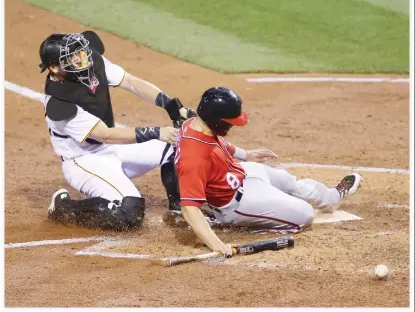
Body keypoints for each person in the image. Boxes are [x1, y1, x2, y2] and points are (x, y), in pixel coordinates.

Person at [174, 87, 362, 256]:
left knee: (288, 181)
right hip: (235, 202)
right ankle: (231, 221)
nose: (232, 126)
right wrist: (216, 244)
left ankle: (331, 198)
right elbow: (189, 207)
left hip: (241, 173)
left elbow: (216, 144)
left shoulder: (196, 124)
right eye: (230, 122)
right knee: (304, 215)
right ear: (215, 120)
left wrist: (246, 155)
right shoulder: (194, 158)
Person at [39, 31, 195, 231]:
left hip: (109, 149)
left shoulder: (93, 64)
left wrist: (173, 106)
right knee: (128, 214)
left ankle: (179, 210)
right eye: (71, 57)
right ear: (54, 67)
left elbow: (131, 82)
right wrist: (157, 132)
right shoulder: (59, 103)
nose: (80, 58)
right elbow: (106, 134)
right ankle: (64, 208)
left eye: (79, 52)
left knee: (177, 144)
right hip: (84, 161)